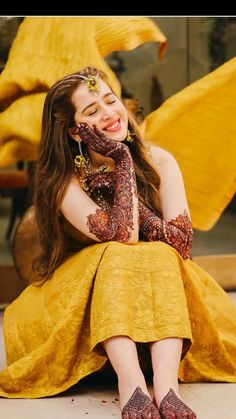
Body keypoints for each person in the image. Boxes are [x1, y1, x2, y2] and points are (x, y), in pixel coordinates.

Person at [0, 66, 236, 419]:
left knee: (159, 252)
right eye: (92, 111)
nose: (110, 113)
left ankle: (166, 386)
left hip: (158, 286)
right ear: (73, 130)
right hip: (86, 296)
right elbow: (122, 236)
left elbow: (182, 245)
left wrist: (130, 171)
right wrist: (122, 161)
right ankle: (132, 384)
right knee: (115, 253)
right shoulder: (64, 181)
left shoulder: (161, 162)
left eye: (110, 101)